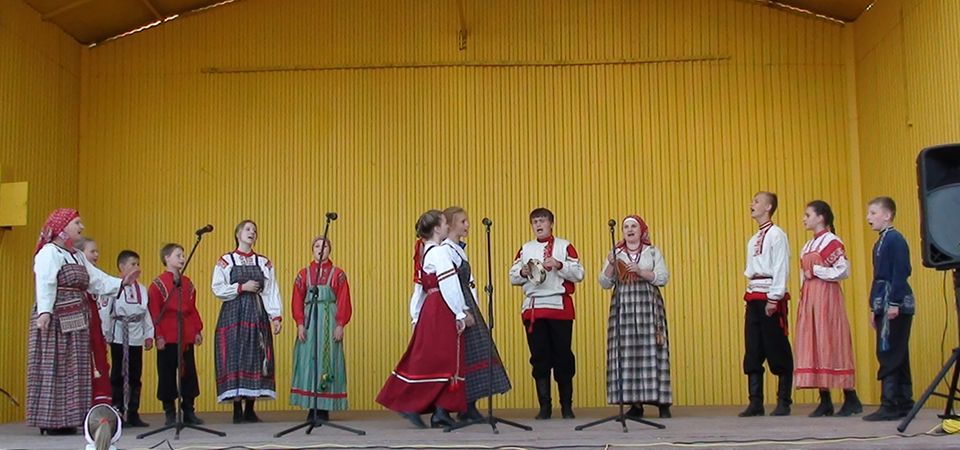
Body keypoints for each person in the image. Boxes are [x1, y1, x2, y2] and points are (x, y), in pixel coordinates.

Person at [27, 209, 138, 435]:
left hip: (77, 321)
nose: (81, 227)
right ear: (62, 227)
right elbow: (45, 282)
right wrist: (45, 312)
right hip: (56, 320)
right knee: (56, 366)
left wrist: (121, 283)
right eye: (77, 223)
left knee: (74, 368)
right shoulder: (49, 252)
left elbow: (96, 280)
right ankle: (51, 420)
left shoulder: (76, 255)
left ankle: (69, 418)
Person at [377, 210, 469, 429]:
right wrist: (460, 312)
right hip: (441, 306)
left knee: (437, 357)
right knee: (446, 357)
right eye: (445, 224)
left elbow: (419, 289)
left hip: (431, 307)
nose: (447, 227)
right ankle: (415, 405)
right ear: (437, 228)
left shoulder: (424, 252)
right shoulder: (439, 252)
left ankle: (440, 411)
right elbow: (449, 284)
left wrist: (416, 314)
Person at [509, 207, 584, 420]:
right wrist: (522, 271)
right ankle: (545, 407)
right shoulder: (525, 249)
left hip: (559, 307)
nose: (539, 225)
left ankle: (566, 406)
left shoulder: (564, 246)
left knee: (563, 356)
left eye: (542, 221)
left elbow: (579, 273)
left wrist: (559, 265)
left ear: (551, 223)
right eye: (535, 222)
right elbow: (513, 276)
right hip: (534, 308)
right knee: (539, 358)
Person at [598, 215, 672, 419]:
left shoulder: (652, 251)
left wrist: (640, 271)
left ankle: (662, 402)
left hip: (647, 303)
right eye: (626, 227)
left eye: (633, 226)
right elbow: (604, 282)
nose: (629, 230)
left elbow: (663, 277)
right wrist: (611, 264)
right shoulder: (616, 252)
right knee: (626, 351)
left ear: (641, 231)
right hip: (624, 305)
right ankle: (635, 404)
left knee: (653, 349)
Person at [442, 207, 512, 422]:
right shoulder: (446, 250)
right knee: (464, 354)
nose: (467, 225)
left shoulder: (458, 249)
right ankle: (453, 406)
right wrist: (461, 311)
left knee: (476, 352)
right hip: (459, 304)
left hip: (468, 301)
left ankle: (469, 405)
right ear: (450, 225)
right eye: (463, 221)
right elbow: (449, 283)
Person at [793, 201, 862, 417]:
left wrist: (818, 271)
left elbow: (843, 270)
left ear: (821, 217)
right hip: (811, 298)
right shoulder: (807, 245)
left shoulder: (832, 241)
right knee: (814, 342)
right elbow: (803, 274)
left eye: (808, 215)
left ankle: (850, 396)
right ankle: (825, 399)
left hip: (827, 296)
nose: (804, 219)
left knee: (832, 339)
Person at [212, 220, 283, 423]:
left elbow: (271, 291)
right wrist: (241, 287)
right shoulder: (226, 260)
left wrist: (275, 316)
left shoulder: (263, 262)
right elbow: (217, 287)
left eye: (254, 230)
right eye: (248, 229)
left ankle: (250, 408)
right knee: (234, 355)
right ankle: (236, 408)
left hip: (256, 313)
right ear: (238, 234)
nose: (252, 232)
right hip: (233, 314)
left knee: (255, 355)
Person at [739, 192, 794, 417]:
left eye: (756, 201)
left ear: (768, 207)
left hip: (769, 295)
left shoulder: (777, 235)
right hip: (754, 294)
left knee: (777, 346)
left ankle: (784, 400)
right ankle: (756, 402)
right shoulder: (753, 239)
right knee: (753, 347)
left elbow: (781, 266)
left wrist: (775, 297)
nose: (751, 204)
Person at [863, 197, 915, 421]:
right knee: (897, 352)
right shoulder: (880, 242)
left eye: (873, 213)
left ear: (887, 215)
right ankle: (904, 402)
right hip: (882, 302)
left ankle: (890, 403)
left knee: (889, 351)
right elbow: (878, 277)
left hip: (894, 302)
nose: (868, 218)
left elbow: (901, 270)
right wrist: (873, 308)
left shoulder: (895, 239)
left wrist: (894, 302)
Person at [289, 237, 353, 422]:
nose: (320, 249)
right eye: (317, 246)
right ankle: (311, 406)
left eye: (324, 246)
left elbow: (344, 300)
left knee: (328, 359)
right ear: (312, 250)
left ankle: (324, 407)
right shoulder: (303, 274)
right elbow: (297, 300)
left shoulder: (338, 274)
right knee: (308, 359)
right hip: (310, 320)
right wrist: (300, 323)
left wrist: (340, 324)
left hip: (328, 319)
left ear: (329, 250)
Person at [148, 243, 205, 426]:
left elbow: (192, 308)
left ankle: (188, 410)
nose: (182, 258)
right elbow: (154, 312)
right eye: (178, 255)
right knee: (166, 374)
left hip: (185, 334)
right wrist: (158, 335)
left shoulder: (187, 283)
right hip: (168, 334)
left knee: (188, 373)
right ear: (167, 258)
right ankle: (170, 412)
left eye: (183, 255)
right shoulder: (157, 284)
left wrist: (197, 329)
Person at [100, 250, 155, 427]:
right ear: (122, 267)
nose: (137, 267)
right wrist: (106, 333)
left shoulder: (142, 289)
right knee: (118, 374)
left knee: (135, 375)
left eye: (138, 264)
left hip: (136, 337)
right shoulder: (113, 287)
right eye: (132, 264)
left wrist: (149, 335)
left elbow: (146, 314)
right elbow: (105, 311)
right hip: (118, 335)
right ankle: (117, 410)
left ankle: (133, 412)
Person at [76, 237, 114, 407]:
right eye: (92, 251)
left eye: (97, 251)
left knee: (100, 364)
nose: (96, 255)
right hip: (83, 328)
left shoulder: (96, 276)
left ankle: (100, 409)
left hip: (97, 328)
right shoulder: (77, 278)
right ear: (79, 254)